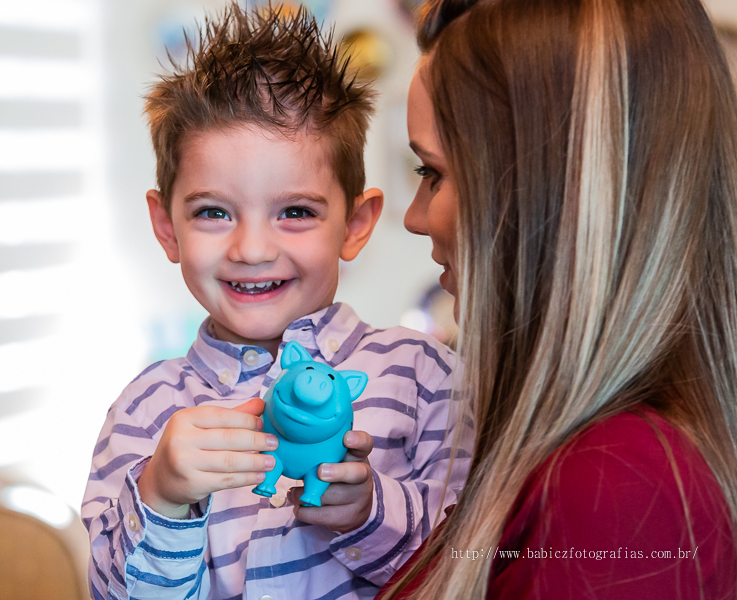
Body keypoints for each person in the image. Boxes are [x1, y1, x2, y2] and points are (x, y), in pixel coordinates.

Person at [81, 4, 473, 599]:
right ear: (166, 227)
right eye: (214, 212)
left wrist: (369, 513)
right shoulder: (146, 410)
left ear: (355, 224)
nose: (253, 249)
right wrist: (161, 496)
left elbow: (477, 558)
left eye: (295, 211)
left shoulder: (423, 377)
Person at [375, 0, 737, 598]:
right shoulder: (586, 464)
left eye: (432, 173)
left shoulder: (616, 487)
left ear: (541, 198)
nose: (414, 217)